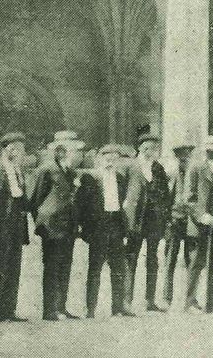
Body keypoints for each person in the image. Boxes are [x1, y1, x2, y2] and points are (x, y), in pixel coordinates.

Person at [32, 131, 85, 321]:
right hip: (52, 228)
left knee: (65, 266)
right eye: (75, 151)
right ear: (62, 152)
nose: (80, 155)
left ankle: (61, 307)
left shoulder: (71, 173)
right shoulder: (47, 170)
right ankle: (49, 310)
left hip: (68, 227)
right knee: (52, 267)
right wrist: (44, 223)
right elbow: (36, 199)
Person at [75, 144, 133, 318]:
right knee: (95, 269)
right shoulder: (91, 177)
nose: (110, 161)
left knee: (118, 268)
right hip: (99, 227)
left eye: (114, 158)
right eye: (107, 158)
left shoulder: (120, 178)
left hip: (115, 224)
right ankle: (90, 309)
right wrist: (85, 228)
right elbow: (81, 204)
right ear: (99, 159)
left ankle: (117, 308)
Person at [0, 132, 31, 324]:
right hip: (0, 226)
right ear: (9, 149)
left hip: (16, 226)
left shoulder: (17, 170)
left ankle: (8, 309)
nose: (22, 153)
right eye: (19, 149)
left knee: (14, 267)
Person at [123, 133, 171, 313]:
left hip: (154, 220)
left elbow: (165, 195)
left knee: (153, 259)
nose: (151, 151)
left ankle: (150, 300)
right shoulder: (131, 167)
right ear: (140, 148)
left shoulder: (159, 168)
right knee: (131, 257)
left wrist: (164, 217)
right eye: (147, 148)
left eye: (154, 148)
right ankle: (126, 300)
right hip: (135, 220)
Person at [184, 135, 213, 313]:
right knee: (197, 262)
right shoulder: (196, 168)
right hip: (199, 224)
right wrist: (201, 214)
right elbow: (188, 198)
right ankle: (190, 302)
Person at [162, 143, 196, 309]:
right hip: (174, 221)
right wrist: (168, 219)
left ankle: (189, 300)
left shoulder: (194, 175)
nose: (185, 162)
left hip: (190, 221)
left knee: (191, 260)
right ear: (177, 159)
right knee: (170, 260)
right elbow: (166, 200)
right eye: (182, 159)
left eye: (187, 158)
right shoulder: (171, 175)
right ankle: (167, 297)